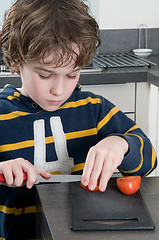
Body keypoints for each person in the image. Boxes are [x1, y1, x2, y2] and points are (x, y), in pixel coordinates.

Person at [0, 0, 157, 239]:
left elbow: (149, 160)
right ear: (15, 60)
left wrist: (121, 144)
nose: (59, 90)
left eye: (72, 74)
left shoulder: (94, 109)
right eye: (45, 75)